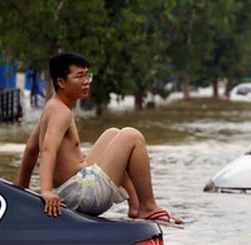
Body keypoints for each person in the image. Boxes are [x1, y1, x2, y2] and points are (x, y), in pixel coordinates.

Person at [16, 52, 183, 225]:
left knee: (112, 135)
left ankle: (135, 206)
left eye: (87, 75)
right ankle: (148, 206)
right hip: (81, 194)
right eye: (79, 76)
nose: (86, 81)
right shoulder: (61, 112)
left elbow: (30, 150)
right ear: (61, 83)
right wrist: (46, 191)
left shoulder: (52, 106)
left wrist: (19, 196)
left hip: (74, 189)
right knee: (132, 136)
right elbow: (48, 149)